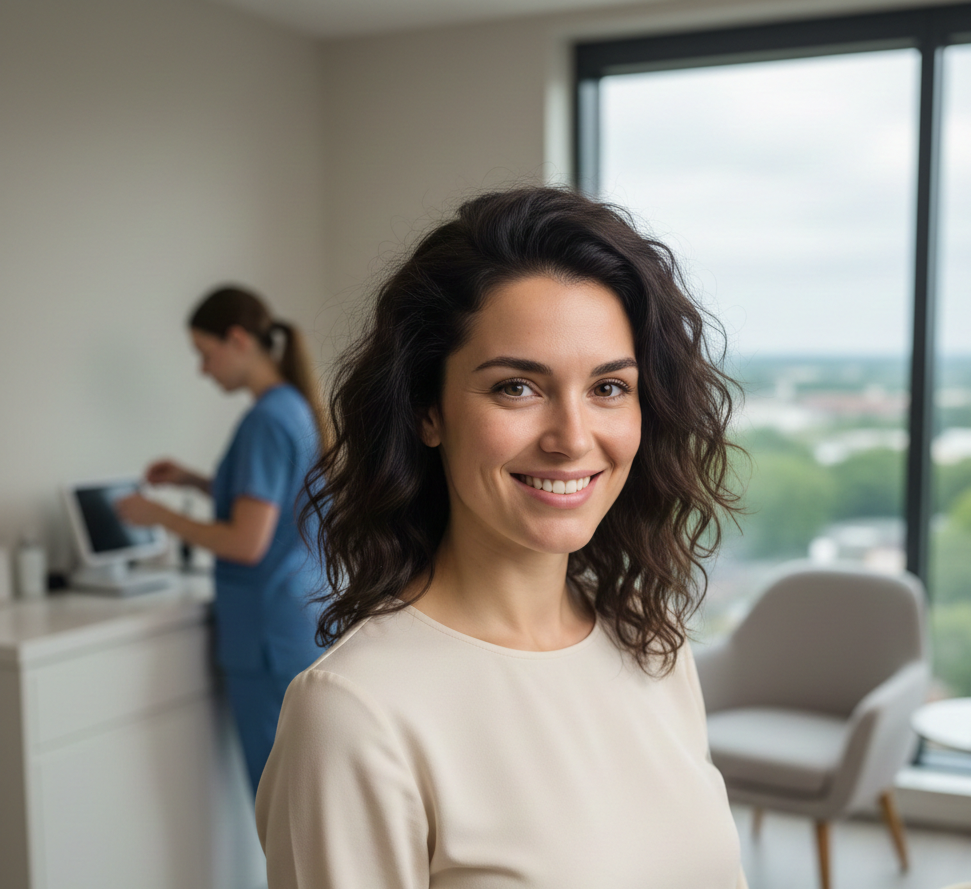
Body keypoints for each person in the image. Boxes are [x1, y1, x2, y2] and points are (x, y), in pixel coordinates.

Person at [256, 186, 748, 888]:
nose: (572, 438)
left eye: (608, 387)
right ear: (429, 410)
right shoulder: (353, 714)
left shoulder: (651, 641)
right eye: (518, 387)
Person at [117, 285, 327, 795]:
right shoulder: (292, 408)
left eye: (205, 355)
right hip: (298, 621)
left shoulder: (264, 421)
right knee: (302, 793)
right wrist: (195, 482)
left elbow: (245, 541)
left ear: (237, 340)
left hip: (266, 637)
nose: (203, 370)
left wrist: (158, 515)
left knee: (278, 799)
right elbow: (273, 505)